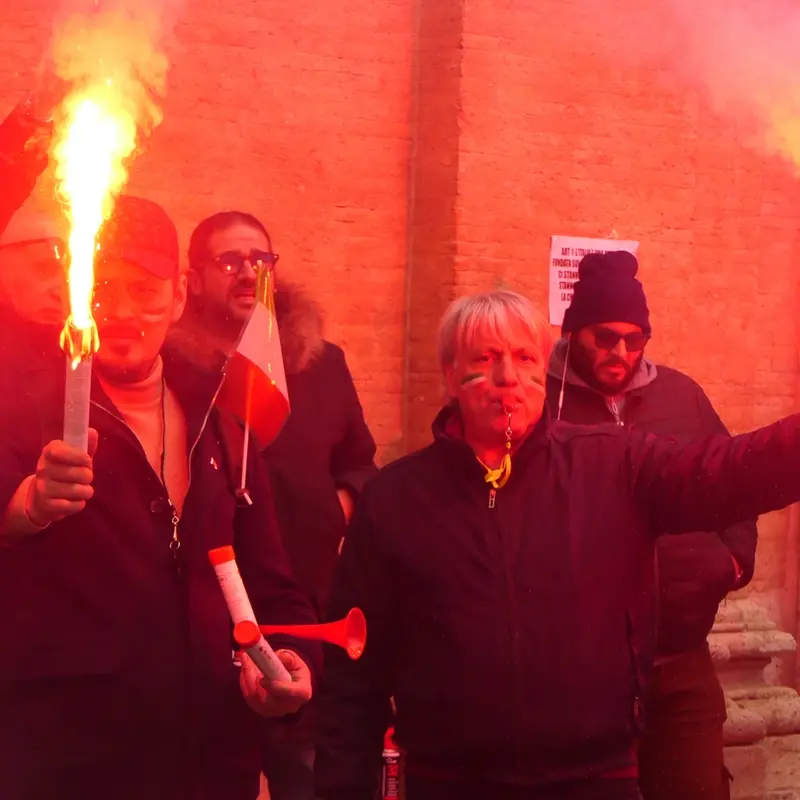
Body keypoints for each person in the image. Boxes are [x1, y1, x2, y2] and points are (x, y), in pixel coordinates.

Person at [314, 289, 799, 800]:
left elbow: (728, 471)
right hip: (451, 782)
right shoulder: (395, 500)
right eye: (485, 358)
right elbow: (354, 675)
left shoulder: (613, 465)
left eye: (525, 358)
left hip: (595, 780)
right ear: (450, 375)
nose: (508, 377)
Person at [0, 195, 320, 800]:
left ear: (176, 296)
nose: (122, 312)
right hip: (71, 763)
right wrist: (23, 511)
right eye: (102, 291)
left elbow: (271, 585)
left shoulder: (221, 413)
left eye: (144, 291)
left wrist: (289, 660)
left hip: (210, 762)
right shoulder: (21, 407)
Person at [169, 210, 377, 800]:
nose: (246, 273)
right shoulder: (169, 368)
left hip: (303, 617)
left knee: (308, 777)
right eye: (229, 261)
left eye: (260, 261)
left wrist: (336, 507)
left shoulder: (322, 362)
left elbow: (361, 461)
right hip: (204, 624)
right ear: (193, 277)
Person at [546, 251, 755, 800]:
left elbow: (733, 480)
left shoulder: (681, 397)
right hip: (583, 669)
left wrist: (731, 561)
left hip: (681, 657)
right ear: (573, 331)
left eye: (635, 340)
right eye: (605, 337)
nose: (621, 353)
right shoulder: (542, 403)